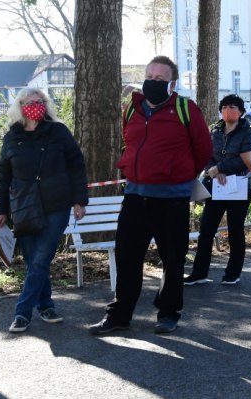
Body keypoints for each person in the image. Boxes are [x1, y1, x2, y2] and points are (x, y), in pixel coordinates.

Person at [89, 56, 212, 336]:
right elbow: (129, 143)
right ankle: (119, 315)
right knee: (127, 257)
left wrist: (178, 175)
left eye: (160, 78)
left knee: (172, 258)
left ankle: (168, 313)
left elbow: (203, 149)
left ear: (172, 83)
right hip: (135, 197)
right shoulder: (131, 110)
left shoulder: (185, 109)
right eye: (150, 76)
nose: (153, 82)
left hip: (172, 200)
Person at [0, 88, 89, 333]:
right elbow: (3, 177)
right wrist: (0, 209)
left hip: (56, 205)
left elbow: (77, 166)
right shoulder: (11, 137)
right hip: (23, 207)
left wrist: (80, 200)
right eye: (29, 102)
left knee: (40, 259)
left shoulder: (58, 131)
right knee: (34, 262)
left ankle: (22, 313)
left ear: (46, 105)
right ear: (20, 105)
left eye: (40, 101)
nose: (34, 105)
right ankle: (46, 305)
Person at [184, 94, 251, 286]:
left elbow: (245, 158)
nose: (227, 110)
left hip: (240, 186)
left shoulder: (248, 132)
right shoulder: (215, 130)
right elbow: (207, 154)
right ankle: (199, 273)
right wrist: (213, 171)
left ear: (240, 112)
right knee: (206, 229)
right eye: (224, 107)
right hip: (217, 185)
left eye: (232, 107)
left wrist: (221, 168)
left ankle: (233, 272)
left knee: (235, 230)